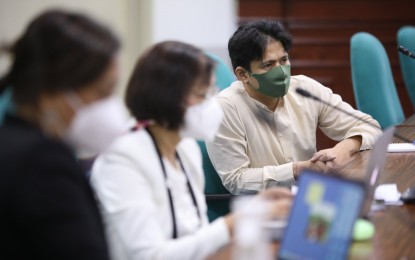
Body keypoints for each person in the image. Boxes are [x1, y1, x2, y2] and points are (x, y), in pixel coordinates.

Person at [90, 41, 292, 260]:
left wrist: (257, 209)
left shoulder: (185, 148)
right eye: (201, 95)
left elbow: (198, 237)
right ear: (167, 98)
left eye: (212, 92)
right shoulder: (122, 159)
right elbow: (150, 255)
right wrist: (237, 221)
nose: (212, 105)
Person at [0, 10, 127, 259]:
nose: (110, 106)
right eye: (103, 93)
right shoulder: (42, 162)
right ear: (52, 92)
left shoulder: (10, 143)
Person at [205, 19, 382, 195]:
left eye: (284, 60)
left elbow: (370, 126)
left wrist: (342, 149)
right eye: (268, 65)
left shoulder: (305, 89)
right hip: (263, 210)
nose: (281, 71)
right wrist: (297, 170)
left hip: (311, 197)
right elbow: (236, 179)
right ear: (243, 74)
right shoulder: (224, 109)